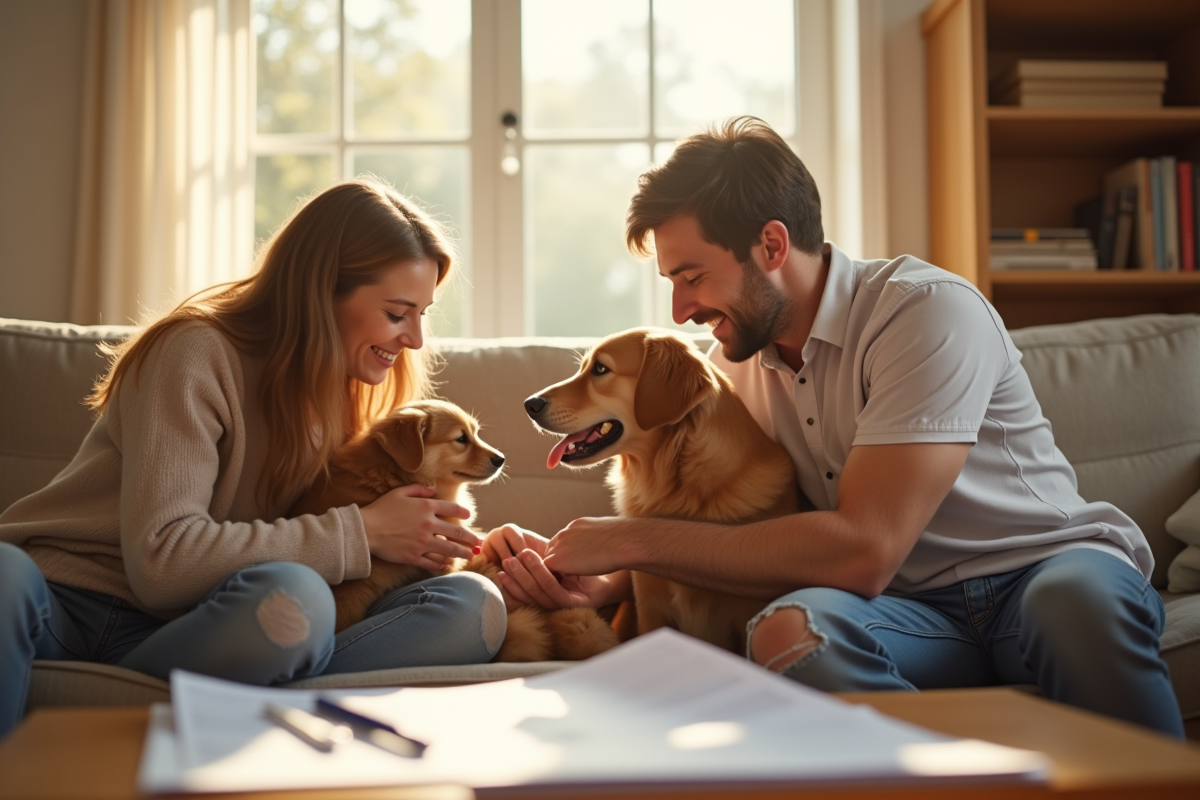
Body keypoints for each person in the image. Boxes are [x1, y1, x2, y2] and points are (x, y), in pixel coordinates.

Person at [485, 116, 1184, 738]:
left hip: (1043, 572)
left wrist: (630, 539)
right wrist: (606, 578)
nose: (681, 308)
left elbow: (864, 549)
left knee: (1075, 604)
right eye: (673, 281)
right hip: (911, 614)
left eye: (692, 275)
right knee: (792, 629)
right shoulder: (734, 372)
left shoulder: (925, 313)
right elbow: (727, 532)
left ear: (770, 244)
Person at [0, 179, 506, 740]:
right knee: (4, 574)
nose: (412, 339)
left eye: (420, 315)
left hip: (206, 626)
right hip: (66, 602)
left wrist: (485, 549)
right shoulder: (193, 353)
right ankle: (197, 708)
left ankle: (154, 701)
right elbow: (162, 564)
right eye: (396, 313)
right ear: (320, 294)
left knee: (470, 606)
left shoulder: (353, 389)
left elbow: (355, 536)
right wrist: (358, 533)